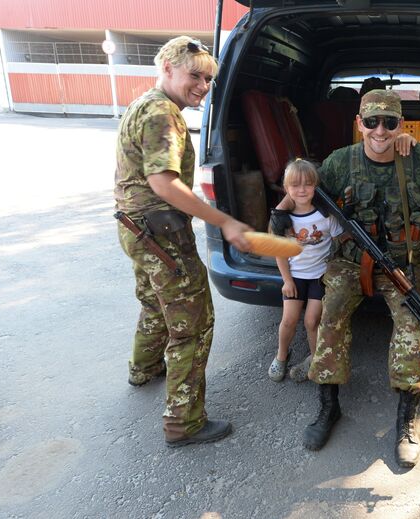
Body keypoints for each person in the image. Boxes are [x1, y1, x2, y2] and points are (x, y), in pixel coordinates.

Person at [273, 89, 420, 468]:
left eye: (390, 122)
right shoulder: (340, 162)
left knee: (412, 328)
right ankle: (328, 406)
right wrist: (279, 212)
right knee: (330, 318)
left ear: (400, 125)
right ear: (360, 123)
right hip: (349, 261)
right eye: (372, 121)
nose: (380, 130)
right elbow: (302, 188)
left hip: (403, 263)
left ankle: (407, 420)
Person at [114, 36, 253, 447]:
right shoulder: (162, 114)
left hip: (135, 228)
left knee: (154, 302)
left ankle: (143, 368)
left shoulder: (144, 103)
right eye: (196, 75)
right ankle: (183, 421)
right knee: (193, 322)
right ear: (168, 68)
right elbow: (164, 183)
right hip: (159, 235)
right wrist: (222, 220)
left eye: (209, 79)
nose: (204, 86)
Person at [270, 159, 342, 383]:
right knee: (289, 320)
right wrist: (287, 280)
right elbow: (279, 253)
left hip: (319, 276)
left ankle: (314, 359)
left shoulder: (326, 216)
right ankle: (282, 356)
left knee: (312, 321)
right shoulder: (283, 219)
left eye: (308, 184)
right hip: (295, 276)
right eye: (295, 185)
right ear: (286, 188)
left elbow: (341, 239)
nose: (302, 190)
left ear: (315, 186)